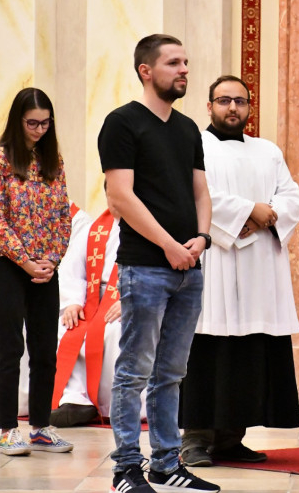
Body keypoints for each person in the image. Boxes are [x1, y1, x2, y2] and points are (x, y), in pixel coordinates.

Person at [97, 34, 218, 493]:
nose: (184, 69)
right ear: (146, 70)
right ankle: (126, 468)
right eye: (173, 63)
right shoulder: (122, 123)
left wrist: (201, 238)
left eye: (185, 61)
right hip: (146, 266)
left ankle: (167, 464)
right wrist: (169, 245)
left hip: (189, 267)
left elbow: (201, 191)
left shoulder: (187, 129)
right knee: (134, 372)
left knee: (172, 373)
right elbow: (120, 197)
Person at [177, 75, 299, 467]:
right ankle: (195, 440)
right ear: (209, 106)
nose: (233, 107)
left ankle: (232, 438)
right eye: (224, 100)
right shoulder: (194, 145)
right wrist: (249, 211)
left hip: (260, 269)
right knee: (208, 352)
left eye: (240, 101)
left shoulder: (267, 151)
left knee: (249, 353)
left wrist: (267, 216)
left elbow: (292, 196)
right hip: (216, 262)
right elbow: (195, 194)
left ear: (250, 107)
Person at [0, 87, 73, 455]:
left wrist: (52, 259)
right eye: (32, 123)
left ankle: (40, 426)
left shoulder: (53, 160)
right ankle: (8, 429)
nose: (39, 130)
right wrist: (25, 260)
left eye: (45, 123)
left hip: (44, 268)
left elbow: (63, 215)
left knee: (45, 350)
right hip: (6, 265)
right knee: (9, 348)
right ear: (17, 120)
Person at [51, 200, 149, 427]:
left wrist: (133, 300)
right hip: (92, 299)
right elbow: (72, 270)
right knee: (67, 326)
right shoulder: (94, 230)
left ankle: (118, 405)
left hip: (132, 299)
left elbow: (158, 272)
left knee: (117, 331)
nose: (116, 204)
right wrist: (73, 302)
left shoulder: (151, 228)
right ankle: (76, 398)